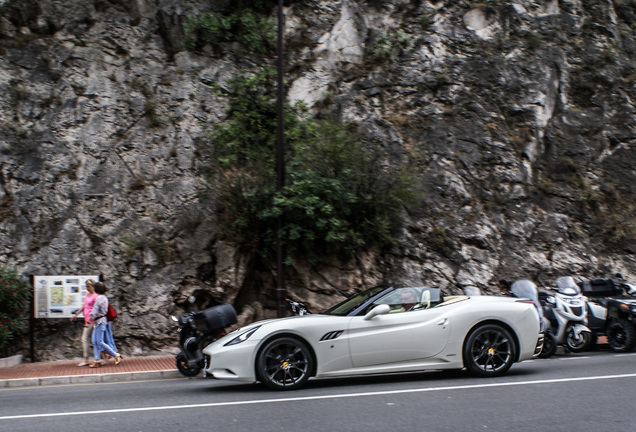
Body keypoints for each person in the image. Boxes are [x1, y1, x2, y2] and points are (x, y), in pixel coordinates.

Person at [89, 282, 121, 367]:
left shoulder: (98, 299)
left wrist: (90, 318)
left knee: (99, 341)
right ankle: (97, 360)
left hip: (99, 321)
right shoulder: (105, 298)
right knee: (94, 341)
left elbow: (95, 311)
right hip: (102, 321)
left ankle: (115, 355)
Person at [69, 279, 98, 367]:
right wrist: (76, 314)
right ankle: (103, 356)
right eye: (86, 287)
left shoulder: (95, 296)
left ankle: (86, 359)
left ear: (92, 286)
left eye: (88, 287)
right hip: (87, 319)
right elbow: (84, 305)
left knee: (85, 338)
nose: (87, 288)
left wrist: (91, 319)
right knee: (95, 340)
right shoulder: (87, 295)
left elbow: (96, 309)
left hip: (92, 320)